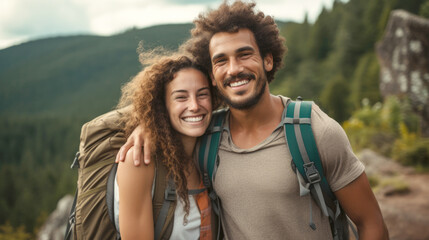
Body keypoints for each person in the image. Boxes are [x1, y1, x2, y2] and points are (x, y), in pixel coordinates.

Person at [116, 1, 389, 239]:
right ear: (212, 75)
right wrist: (147, 127)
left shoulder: (315, 132)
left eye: (244, 54)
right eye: (221, 60)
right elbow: (178, 117)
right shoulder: (208, 134)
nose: (234, 69)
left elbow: (372, 223)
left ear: (268, 60)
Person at [115, 52, 221, 240]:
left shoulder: (212, 149)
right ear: (162, 105)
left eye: (202, 94)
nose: (195, 106)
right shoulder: (139, 161)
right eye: (181, 97)